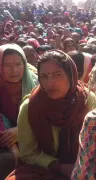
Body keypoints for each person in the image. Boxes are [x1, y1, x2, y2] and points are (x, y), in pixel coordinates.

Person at [6, 50, 96, 180]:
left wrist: (81, 165)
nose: (50, 83)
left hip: (85, 165)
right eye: (43, 76)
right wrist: (56, 164)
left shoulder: (88, 100)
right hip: (42, 169)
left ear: (71, 75)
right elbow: (27, 153)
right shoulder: (30, 106)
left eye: (57, 74)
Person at [0, 44, 37, 180]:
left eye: (17, 64)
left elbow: (43, 115)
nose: (14, 70)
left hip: (33, 134)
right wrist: (12, 146)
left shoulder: (35, 83)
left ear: (24, 64)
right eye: (7, 65)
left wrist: (21, 130)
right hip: (5, 136)